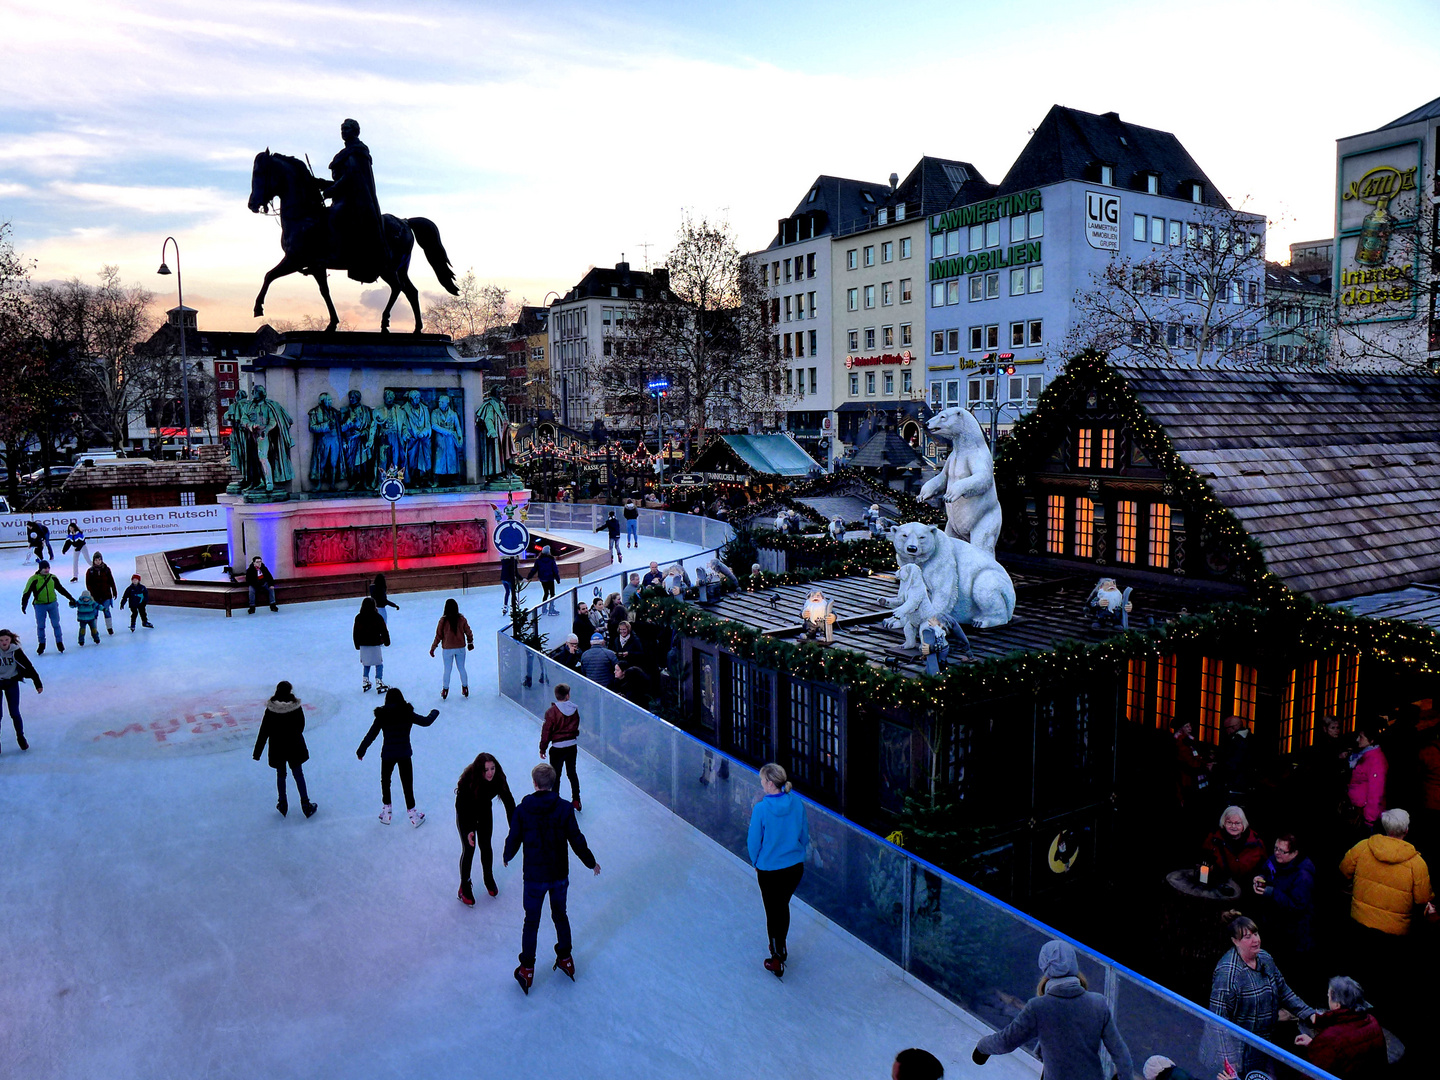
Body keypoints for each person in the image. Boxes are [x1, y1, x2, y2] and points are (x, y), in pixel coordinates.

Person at [503, 761, 600, 994]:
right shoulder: (564, 809)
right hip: (558, 876)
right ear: (554, 784)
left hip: (535, 878)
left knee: (531, 922)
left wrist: (507, 855)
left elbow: (514, 838)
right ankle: (566, 958)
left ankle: (526, 969)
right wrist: (591, 862)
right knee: (560, 915)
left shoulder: (522, 810)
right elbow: (577, 840)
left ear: (534, 783)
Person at [973, 939, 1133, 1080]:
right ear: (1074, 964)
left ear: (1044, 967)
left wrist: (982, 1047)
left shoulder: (1038, 1007)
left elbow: (1006, 1042)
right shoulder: (1098, 1003)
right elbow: (1122, 1055)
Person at [1203, 911, 1318, 1078]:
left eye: (1255, 934)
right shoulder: (1227, 974)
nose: (1255, 940)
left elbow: (1284, 991)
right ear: (1235, 941)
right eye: (1247, 937)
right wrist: (1229, 1060)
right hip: (1236, 1051)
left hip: (1260, 1045)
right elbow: (1218, 1021)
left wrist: (1310, 1014)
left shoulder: (1264, 958)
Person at [1338, 807, 1435, 1000]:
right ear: (1406, 831)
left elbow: (1343, 869)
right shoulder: (1417, 863)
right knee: (1386, 976)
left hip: (1360, 920)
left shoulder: (1364, 846)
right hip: (1394, 931)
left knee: (1360, 968)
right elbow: (1423, 898)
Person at [747, 762, 809, 977]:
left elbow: (754, 841)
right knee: (781, 906)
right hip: (794, 868)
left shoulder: (761, 809)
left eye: (763, 781)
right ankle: (780, 949)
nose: (762, 784)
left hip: (770, 871)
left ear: (770, 783)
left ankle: (777, 956)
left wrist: (756, 862)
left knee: (774, 911)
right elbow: (804, 835)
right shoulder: (797, 803)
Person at [356, 687, 439, 827]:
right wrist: (434, 712)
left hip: (388, 754)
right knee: (407, 783)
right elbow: (426, 722)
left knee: (385, 781)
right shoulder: (407, 713)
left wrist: (361, 750)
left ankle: (387, 812)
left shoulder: (382, 715)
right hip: (404, 753)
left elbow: (371, 735)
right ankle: (413, 815)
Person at [1292, 976, 1386, 1080]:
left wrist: (1320, 1045)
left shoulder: (1330, 1038)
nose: (1328, 998)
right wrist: (1313, 1044)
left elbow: (1312, 1075)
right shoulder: (1372, 1021)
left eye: (1328, 996)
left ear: (1337, 1005)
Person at [454, 752, 516, 903]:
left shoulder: (499, 778)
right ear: (479, 770)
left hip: (484, 813)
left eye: (492, 768)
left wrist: (514, 828)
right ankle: (465, 885)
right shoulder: (469, 780)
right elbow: (461, 806)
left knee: (486, 847)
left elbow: (509, 803)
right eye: (486, 769)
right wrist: (468, 830)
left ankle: (488, 877)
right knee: (469, 850)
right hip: (467, 815)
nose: (490, 773)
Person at [1251, 834, 1315, 974]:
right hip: (1272, 923)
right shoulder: (1275, 860)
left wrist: (1271, 892)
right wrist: (1260, 877)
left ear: (1294, 853)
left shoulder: (1303, 876)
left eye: (1282, 851)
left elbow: (1297, 906)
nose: (1276, 853)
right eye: (1275, 848)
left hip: (1291, 934)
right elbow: (1266, 869)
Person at [252, 680, 316, 818]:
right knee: (298, 774)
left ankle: (282, 803)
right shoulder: (296, 707)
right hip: (294, 746)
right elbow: (301, 726)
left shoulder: (271, 709)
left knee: (281, 775)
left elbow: (264, 731)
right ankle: (306, 804)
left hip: (277, 747)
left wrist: (257, 753)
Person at [541, 683, 582, 810]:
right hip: (571, 746)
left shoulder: (551, 712)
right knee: (572, 772)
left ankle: (554, 801)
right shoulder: (574, 710)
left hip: (557, 747)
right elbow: (576, 726)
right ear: (568, 695)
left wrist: (543, 748)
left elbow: (546, 731)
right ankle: (576, 799)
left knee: (555, 775)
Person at [1201, 806, 1267, 884]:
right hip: (1219, 886)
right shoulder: (1213, 839)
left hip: (1248, 886)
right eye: (1229, 822)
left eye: (1237, 823)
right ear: (1223, 823)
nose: (1233, 826)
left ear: (1244, 824)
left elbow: (1264, 869)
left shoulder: (1257, 842)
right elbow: (1203, 862)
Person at [20, 560, 75, 655]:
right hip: (40, 605)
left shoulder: (52, 578)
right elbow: (27, 592)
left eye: (48, 568)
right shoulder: (34, 579)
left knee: (56, 624)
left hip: (52, 604)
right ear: (40, 569)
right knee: (41, 626)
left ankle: (59, 642)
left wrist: (70, 598)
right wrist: (24, 605)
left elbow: (61, 589)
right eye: (44, 568)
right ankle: (41, 644)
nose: (47, 570)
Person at [0, 628, 41, 752]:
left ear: (11, 640)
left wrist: (37, 682)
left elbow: (28, 666)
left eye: (6, 640)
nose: (4, 642)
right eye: (1, 640)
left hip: (11, 682)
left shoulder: (16, 651)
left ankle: (21, 737)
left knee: (15, 713)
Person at [429, 597, 474, 699]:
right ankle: (465, 687)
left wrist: (433, 647)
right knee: (461, 668)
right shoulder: (461, 619)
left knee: (447, 669)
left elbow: (438, 635)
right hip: (460, 648)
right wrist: (470, 642)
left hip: (447, 649)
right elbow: (468, 631)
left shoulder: (443, 621)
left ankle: (445, 690)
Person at [1347, 724, 1388, 831]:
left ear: (1371, 740)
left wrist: (1369, 819)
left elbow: (1376, 791)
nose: (1357, 740)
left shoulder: (1375, 760)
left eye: (1361, 737)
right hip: (1357, 809)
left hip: (1365, 814)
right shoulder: (1363, 756)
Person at [1214, 714, 1255, 806]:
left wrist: (1215, 767)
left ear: (1233, 727)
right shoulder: (1252, 739)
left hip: (1235, 784)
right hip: (1248, 784)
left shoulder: (1236, 741)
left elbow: (1232, 763)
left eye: (1226, 728)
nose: (1226, 732)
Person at [353, 596, 391, 693]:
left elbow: (355, 632)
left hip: (363, 645)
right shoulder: (377, 617)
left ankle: (365, 680)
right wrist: (387, 642)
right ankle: (379, 681)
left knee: (366, 663)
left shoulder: (358, 617)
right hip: (374, 643)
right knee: (378, 663)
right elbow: (384, 630)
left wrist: (357, 644)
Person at [1172, 718, 1211, 811]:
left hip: (1192, 775)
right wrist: (1204, 765)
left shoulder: (1189, 740)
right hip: (1186, 777)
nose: (1190, 728)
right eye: (1187, 726)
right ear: (1181, 728)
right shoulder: (1180, 742)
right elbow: (1189, 762)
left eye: (1190, 726)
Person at [84, 552, 118, 636]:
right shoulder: (90, 571)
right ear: (93, 561)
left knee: (106, 611)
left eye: (99, 559)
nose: (98, 561)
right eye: (96, 560)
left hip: (106, 595)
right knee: (95, 613)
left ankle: (109, 628)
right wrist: (92, 593)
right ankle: (94, 630)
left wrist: (114, 591)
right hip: (95, 597)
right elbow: (88, 584)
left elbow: (111, 581)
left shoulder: (106, 569)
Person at [527, 544, 560, 616]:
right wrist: (557, 578)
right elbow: (555, 569)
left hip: (543, 579)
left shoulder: (538, 560)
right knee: (552, 594)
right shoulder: (551, 559)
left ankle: (544, 609)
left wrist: (529, 577)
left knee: (546, 593)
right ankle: (551, 609)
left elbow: (534, 569)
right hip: (550, 578)